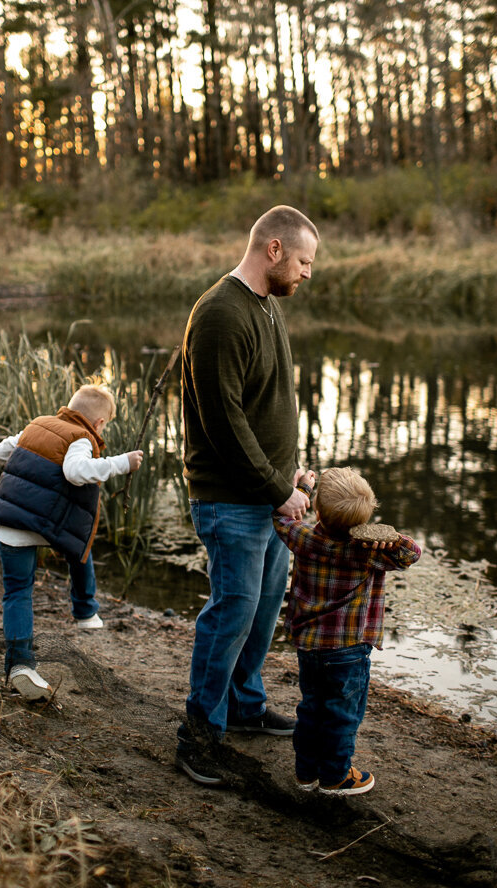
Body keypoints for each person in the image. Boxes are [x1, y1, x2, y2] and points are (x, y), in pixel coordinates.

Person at [176, 204, 319, 785]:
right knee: (231, 611)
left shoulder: (264, 306)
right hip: (232, 499)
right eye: (304, 261)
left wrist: (294, 473)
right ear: (275, 250)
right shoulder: (219, 314)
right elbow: (223, 421)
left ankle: (244, 705)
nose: (309, 273)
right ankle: (198, 735)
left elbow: (266, 403)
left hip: (269, 492)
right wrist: (273, 487)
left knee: (261, 612)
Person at [0, 383, 143, 700]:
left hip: (10, 523)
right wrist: (121, 462)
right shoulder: (81, 438)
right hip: (44, 523)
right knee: (80, 544)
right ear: (98, 423)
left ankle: (21, 665)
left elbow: (0, 452)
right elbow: (76, 472)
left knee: (17, 592)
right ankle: (85, 611)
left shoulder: (37, 425)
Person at [274, 466, 422, 795]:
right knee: (343, 712)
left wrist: (303, 488)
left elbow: (281, 519)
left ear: (319, 511)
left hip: (309, 645)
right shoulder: (369, 551)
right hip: (349, 650)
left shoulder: (306, 539)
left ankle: (306, 771)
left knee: (311, 706)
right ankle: (335, 776)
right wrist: (389, 536)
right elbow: (412, 553)